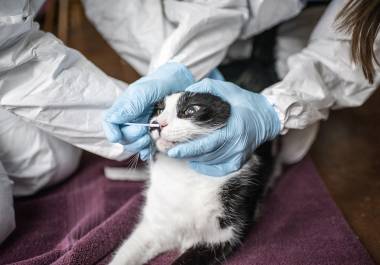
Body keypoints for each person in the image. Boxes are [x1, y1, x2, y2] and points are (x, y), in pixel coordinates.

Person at [0, 0, 378, 244]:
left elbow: (353, 51)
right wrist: (176, 68)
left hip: (289, 28)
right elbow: (12, 55)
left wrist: (273, 111)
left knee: (48, 165)